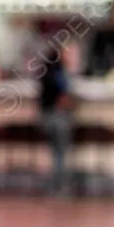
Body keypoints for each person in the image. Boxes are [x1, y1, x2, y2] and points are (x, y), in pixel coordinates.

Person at [37, 41, 74, 196]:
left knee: (54, 153)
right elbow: (64, 98)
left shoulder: (43, 73)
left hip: (46, 118)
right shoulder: (60, 73)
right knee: (60, 154)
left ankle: (53, 185)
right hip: (59, 118)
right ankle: (60, 186)